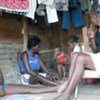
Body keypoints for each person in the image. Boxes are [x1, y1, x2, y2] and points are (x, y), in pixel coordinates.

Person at [54, 3, 100, 100]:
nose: (91, 19)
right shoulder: (98, 30)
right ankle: (68, 90)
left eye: (91, 17)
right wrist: (92, 37)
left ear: (97, 16)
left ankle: (66, 95)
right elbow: (96, 50)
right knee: (74, 54)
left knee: (80, 58)